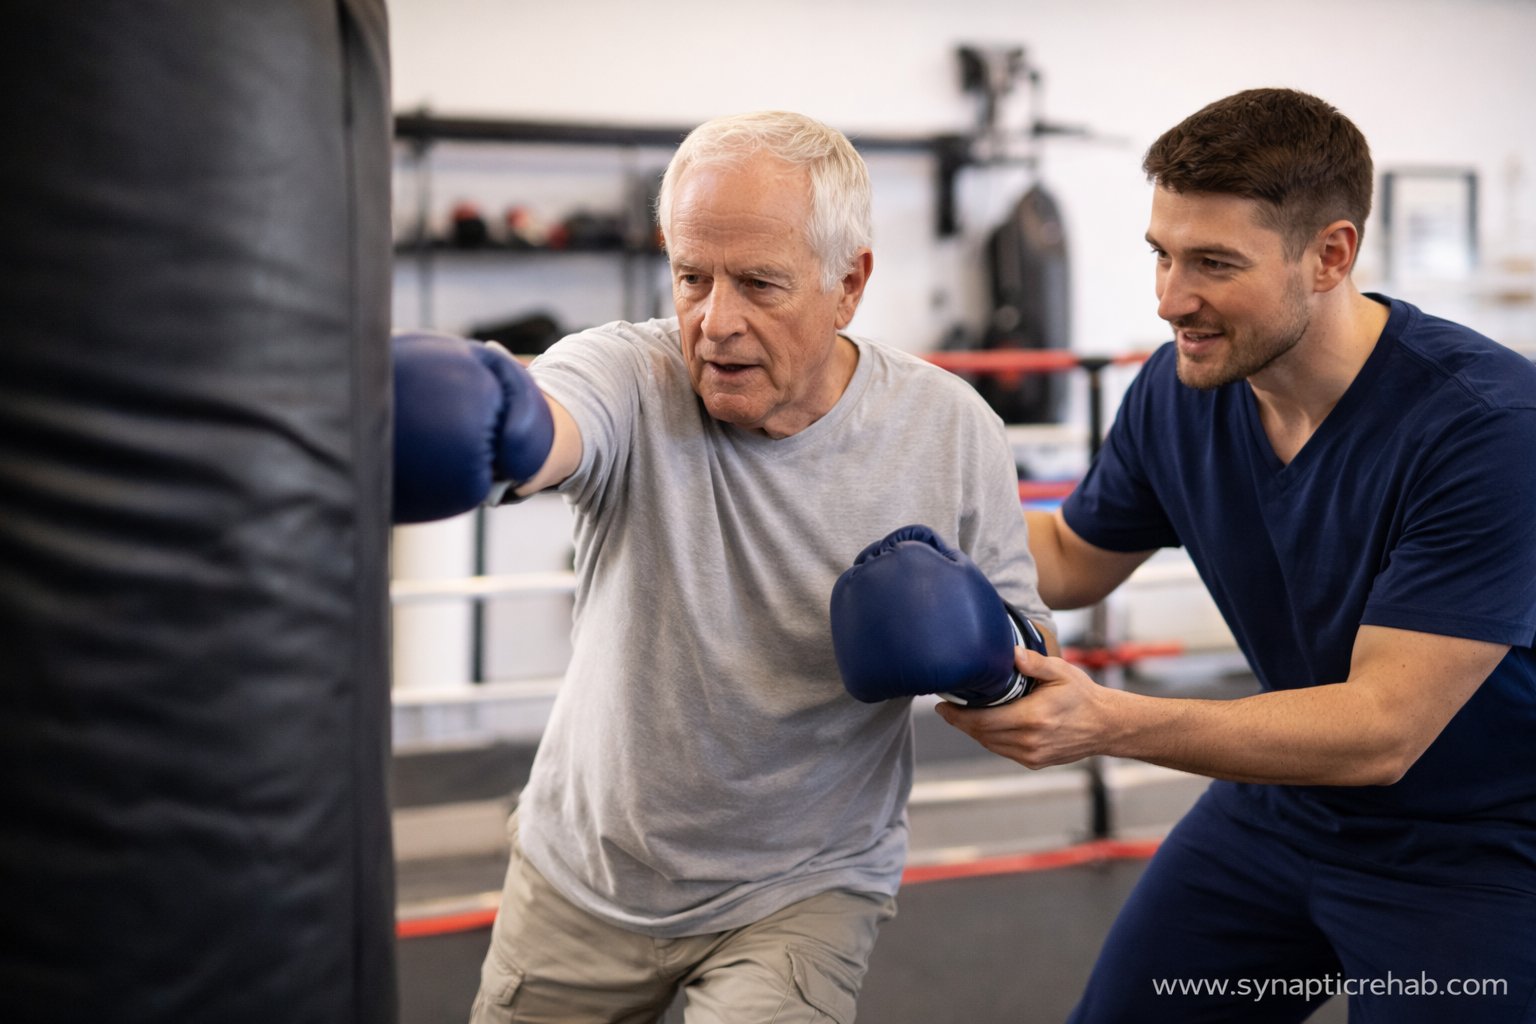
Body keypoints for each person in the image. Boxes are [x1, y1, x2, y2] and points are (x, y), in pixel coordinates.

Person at [938, 87, 1536, 1022]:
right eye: (1163, 255)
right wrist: (895, 501)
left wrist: (1109, 723)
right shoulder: (1179, 392)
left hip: (1480, 846)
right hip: (1287, 806)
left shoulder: (1489, 430)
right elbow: (1069, 558)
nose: (1173, 299)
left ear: (1331, 254)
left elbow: (1383, 729)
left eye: (1214, 263)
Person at [461, 111, 1056, 1022]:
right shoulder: (632, 372)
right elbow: (556, 424)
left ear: (848, 282)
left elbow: (1032, 667)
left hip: (803, 887)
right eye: (691, 278)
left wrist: (981, 655)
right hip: (588, 875)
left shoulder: (949, 427)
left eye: (759, 284)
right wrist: (492, 422)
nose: (715, 323)